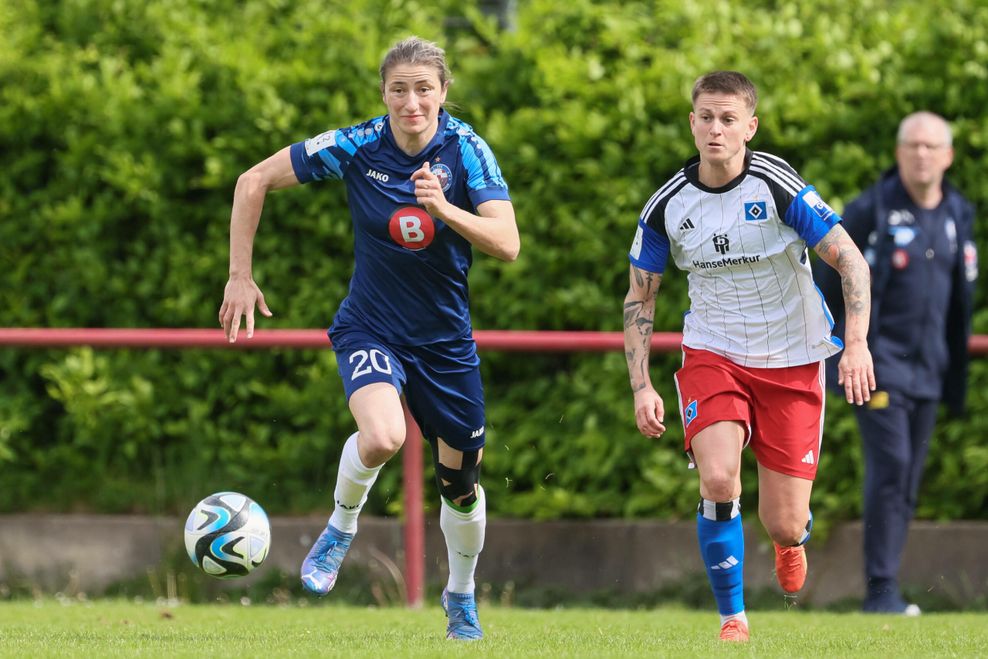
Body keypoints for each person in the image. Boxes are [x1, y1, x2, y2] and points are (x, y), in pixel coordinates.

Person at [218, 36, 519, 641]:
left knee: (461, 486)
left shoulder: (467, 151)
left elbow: (507, 243)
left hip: (444, 344)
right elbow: (252, 181)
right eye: (398, 88)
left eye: (423, 88)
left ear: (443, 92)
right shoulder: (356, 145)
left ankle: (460, 593)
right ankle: (340, 528)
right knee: (383, 436)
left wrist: (444, 208)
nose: (411, 101)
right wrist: (240, 276)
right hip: (371, 325)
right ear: (383, 92)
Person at [622, 71, 876, 642]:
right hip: (713, 352)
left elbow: (852, 262)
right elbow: (641, 296)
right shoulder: (667, 205)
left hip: (791, 358)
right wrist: (641, 384)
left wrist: (855, 343)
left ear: (749, 127)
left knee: (782, 522)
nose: (716, 129)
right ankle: (732, 619)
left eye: (728, 119)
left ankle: (791, 539)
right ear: (692, 122)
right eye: (706, 117)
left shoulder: (776, 185)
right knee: (717, 480)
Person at [816, 112, 977, 616]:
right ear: (898, 152)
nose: (922, 154)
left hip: (930, 369)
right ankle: (880, 590)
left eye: (932, 146)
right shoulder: (871, 210)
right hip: (876, 365)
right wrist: (845, 348)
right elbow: (829, 281)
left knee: (907, 479)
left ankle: (887, 585)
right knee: (892, 467)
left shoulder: (958, 214)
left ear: (948, 156)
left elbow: (959, 301)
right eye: (912, 145)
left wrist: (954, 375)